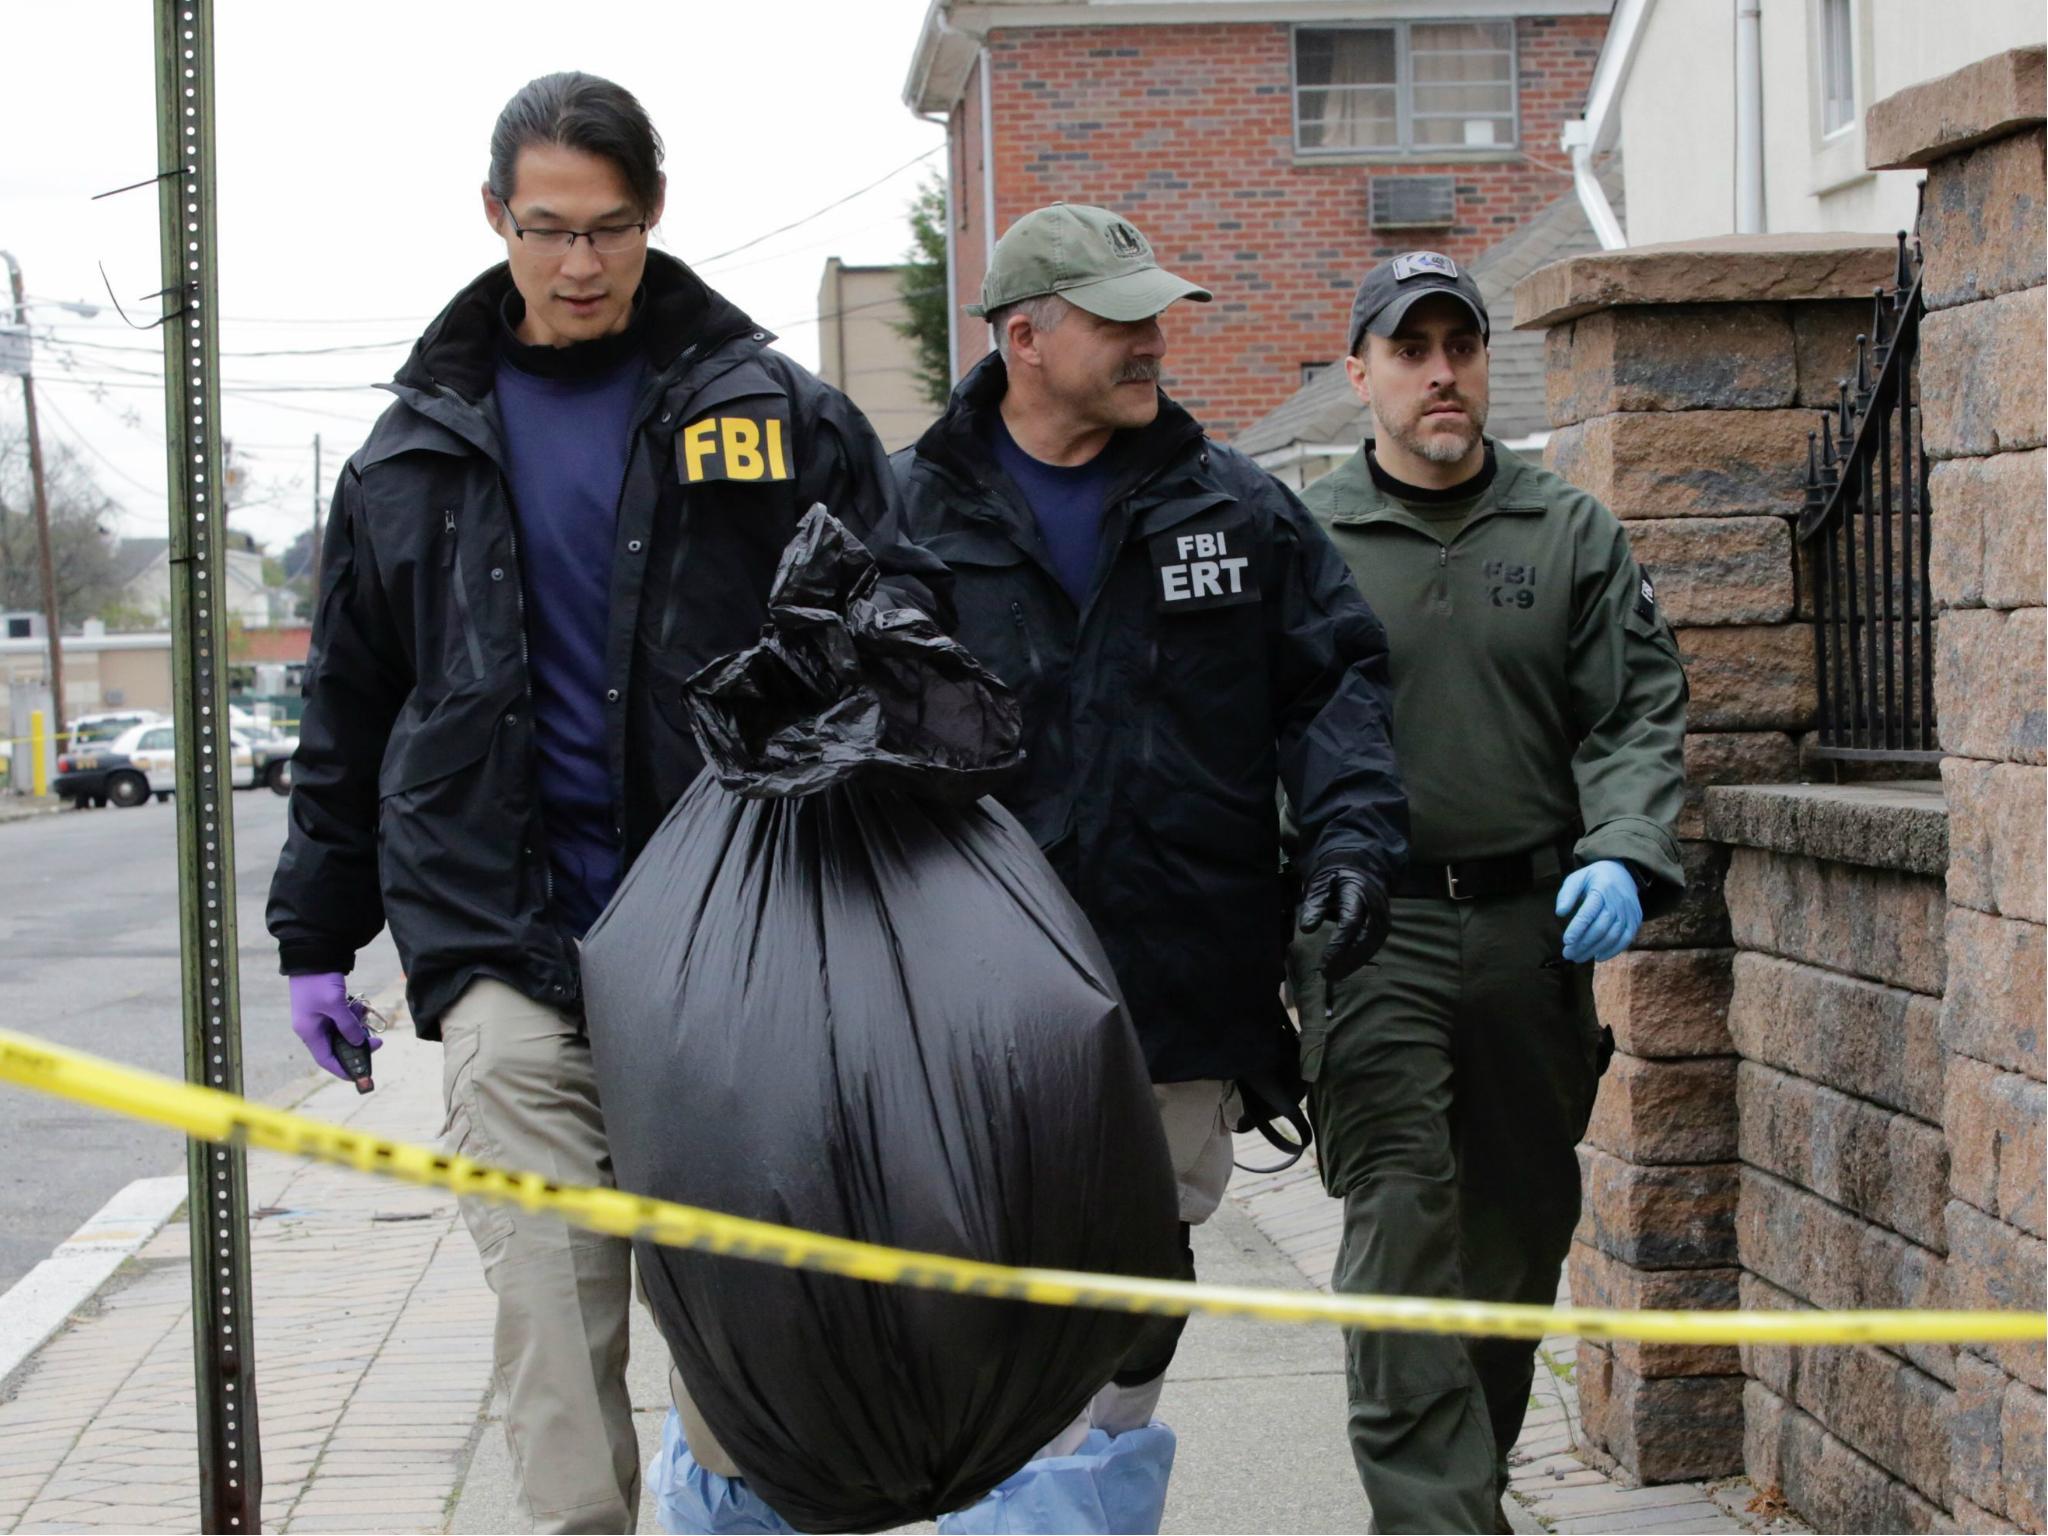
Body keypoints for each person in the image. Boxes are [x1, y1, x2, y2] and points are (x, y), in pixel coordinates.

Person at [266, 72, 947, 1534]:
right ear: (494, 219)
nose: (581, 265)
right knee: (550, 1320)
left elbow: (903, 627)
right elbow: (352, 707)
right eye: (548, 228)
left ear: (657, 218)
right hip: (508, 946)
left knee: (743, 1328)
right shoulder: (411, 453)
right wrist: (317, 936)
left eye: (613, 228)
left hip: (731, 944)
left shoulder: (770, 415)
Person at [893, 202, 1409, 1533]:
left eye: (1154, 319)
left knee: (1138, 1279)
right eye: (1119, 321)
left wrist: (1350, 842)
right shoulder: (903, 516)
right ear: (1025, 336)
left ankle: (1077, 1505)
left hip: (1178, 982)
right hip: (968, 995)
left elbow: (1336, 686)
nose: (1149, 344)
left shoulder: (1234, 512)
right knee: (986, 1283)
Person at [1292, 251, 1688, 1534]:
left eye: (1458, 345)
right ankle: (1438, 1523)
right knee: (1401, 1228)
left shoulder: (1565, 530)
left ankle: (1463, 1489)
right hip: (1373, 933)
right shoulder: (1303, 543)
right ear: (1360, 373)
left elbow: (1631, 714)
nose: (1440, 373)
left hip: (1531, 932)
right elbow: (1248, 736)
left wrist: (1623, 851)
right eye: (1410, 351)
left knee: (1513, 1243)